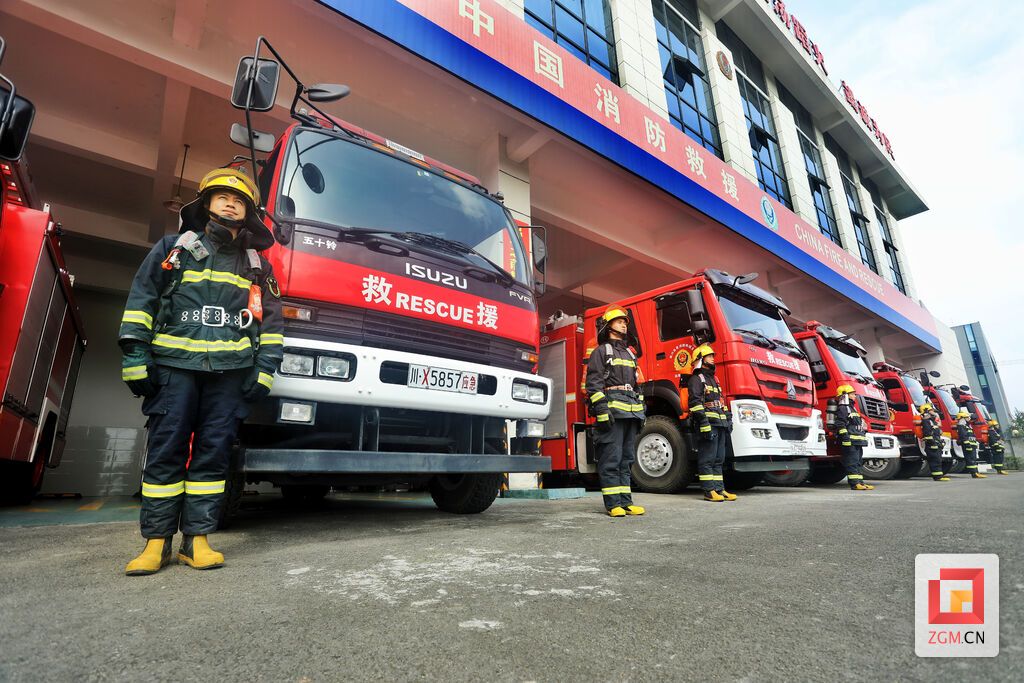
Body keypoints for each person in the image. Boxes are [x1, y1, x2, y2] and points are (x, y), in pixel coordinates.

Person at [120, 167, 284, 575]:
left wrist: (263, 371)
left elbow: (273, 324)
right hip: (174, 369)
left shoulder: (256, 266)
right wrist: (135, 358)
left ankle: (198, 542)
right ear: (206, 204)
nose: (231, 202)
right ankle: (156, 544)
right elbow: (142, 302)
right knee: (165, 453)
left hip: (230, 374)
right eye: (222, 196)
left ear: (249, 212)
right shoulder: (172, 249)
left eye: (240, 199)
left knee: (213, 458)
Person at [586, 308, 646, 517]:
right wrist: (602, 411)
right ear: (608, 325)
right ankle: (613, 504)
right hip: (612, 413)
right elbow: (593, 385)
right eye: (619, 321)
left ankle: (626, 502)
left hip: (631, 413)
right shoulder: (601, 352)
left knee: (627, 459)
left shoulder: (630, 353)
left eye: (625, 322)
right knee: (611, 458)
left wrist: (642, 412)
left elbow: (637, 386)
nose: (623, 325)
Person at [687, 344, 736, 502]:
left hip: (720, 423)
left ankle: (719, 489)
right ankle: (709, 491)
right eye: (709, 356)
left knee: (719, 458)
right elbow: (695, 403)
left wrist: (728, 419)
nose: (713, 358)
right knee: (707, 458)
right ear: (700, 359)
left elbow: (721, 402)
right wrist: (704, 423)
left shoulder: (714, 379)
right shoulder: (696, 379)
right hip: (709, 424)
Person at [835, 384, 873, 491]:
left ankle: (860, 482)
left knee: (858, 462)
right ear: (845, 395)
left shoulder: (852, 408)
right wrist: (845, 437)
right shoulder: (843, 408)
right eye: (852, 394)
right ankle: (854, 484)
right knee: (851, 462)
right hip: (850, 441)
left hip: (857, 441)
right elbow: (840, 424)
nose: (855, 396)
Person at [919, 402, 949, 481]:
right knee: (934, 460)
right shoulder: (926, 421)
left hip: (936, 443)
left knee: (938, 459)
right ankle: (937, 477)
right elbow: (927, 433)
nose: (934, 412)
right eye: (932, 410)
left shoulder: (932, 421)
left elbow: (936, 433)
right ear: (926, 411)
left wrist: (940, 442)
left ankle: (939, 475)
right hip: (931, 444)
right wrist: (932, 443)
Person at [955, 409, 985, 478]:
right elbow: (964, 437)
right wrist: (967, 445)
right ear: (963, 418)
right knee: (970, 460)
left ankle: (976, 472)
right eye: (967, 417)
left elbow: (971, 436)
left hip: (972, 445)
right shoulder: (961, 426)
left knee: (973, 459)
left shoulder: (967, 426)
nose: (969, 418)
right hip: (968, 445)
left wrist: (975, 443)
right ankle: (974, 473)